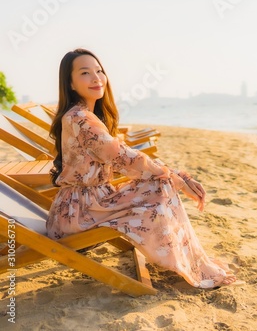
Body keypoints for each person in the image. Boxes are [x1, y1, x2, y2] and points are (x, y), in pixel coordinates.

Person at [47, 48, 237, 288]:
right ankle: (193, 263)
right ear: (71, 83)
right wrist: (177, 178)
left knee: (158, 184)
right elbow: (124, 158)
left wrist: (174, 176)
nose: (96, 78)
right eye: (85, 73)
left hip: (90, 205)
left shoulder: (86, 115)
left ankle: (192, 261)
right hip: (79, 215)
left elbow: (125, 154)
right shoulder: (80, 119)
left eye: (99, 71)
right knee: (160, 186)